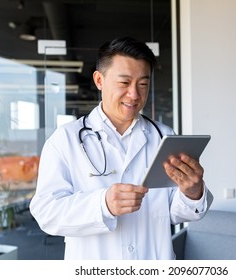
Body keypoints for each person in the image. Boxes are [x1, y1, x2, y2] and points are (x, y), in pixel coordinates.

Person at [29, 36, 213, 260]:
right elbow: (46, 213)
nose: (134, 94)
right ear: (99, 80)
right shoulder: (65, 140)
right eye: (124, 83)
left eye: (143, 84)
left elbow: (173, 213)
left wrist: (192, 192)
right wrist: (102, 204)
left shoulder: (164, 136)